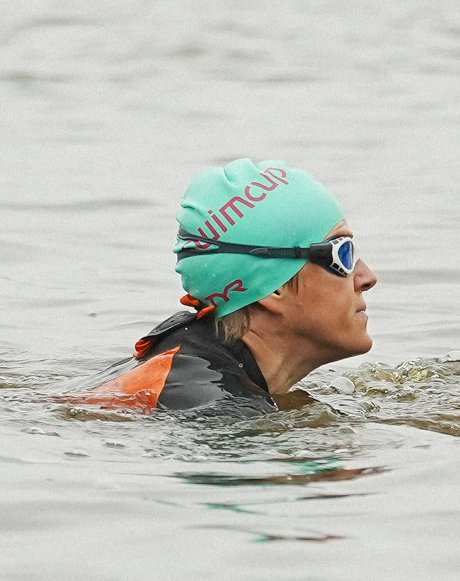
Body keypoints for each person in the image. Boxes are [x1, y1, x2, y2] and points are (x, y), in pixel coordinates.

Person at [71, 158, 379, 413]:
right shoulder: (217, 408)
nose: (367, 277)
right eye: (343, 253)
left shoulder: (192, 362)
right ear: (273, 288)